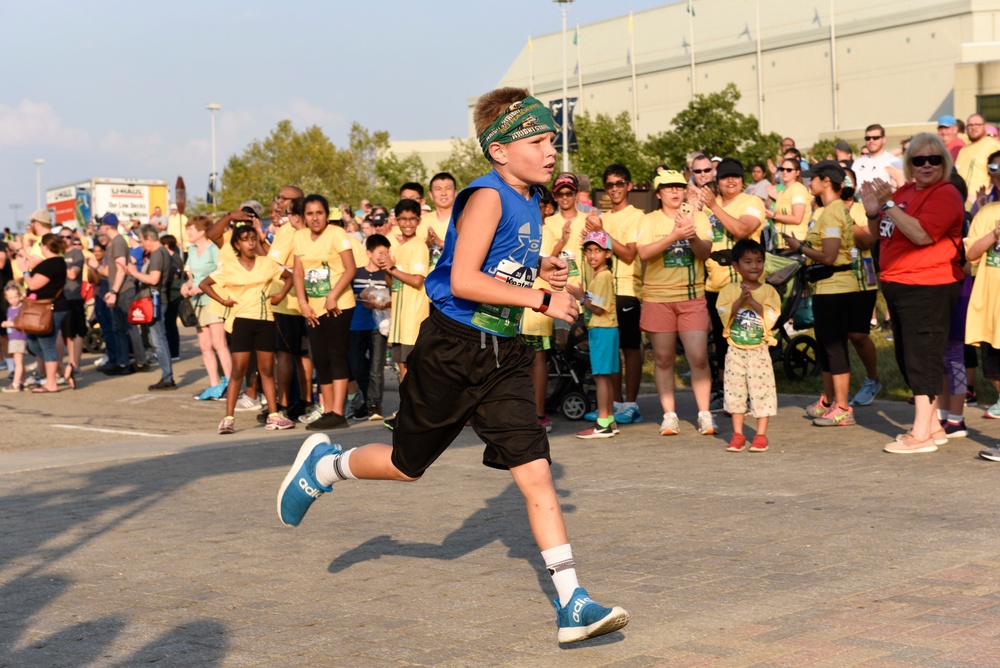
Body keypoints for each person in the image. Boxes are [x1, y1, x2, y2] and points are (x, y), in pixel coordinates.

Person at [275, 87, 628, 644]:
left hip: (505, 355)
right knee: (405, 466)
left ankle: (572, 602)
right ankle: (327, 466)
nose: (550, 151)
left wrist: (543, 268)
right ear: (500, 152)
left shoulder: (528, 200)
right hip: (453, 348)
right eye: (538, 141)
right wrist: (541, 300)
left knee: (537, 472)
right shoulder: (487, 195)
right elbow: (463, 279)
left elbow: (498, 261)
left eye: (551, 140)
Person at [861, 133, 965, 454]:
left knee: (923, 357)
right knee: (909, 358)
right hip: (899, 285)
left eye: (934, 159)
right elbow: (884, 234)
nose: (926, 165)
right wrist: (872, 212)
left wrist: (889, 205)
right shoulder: (903, 192)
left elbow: (920, 235)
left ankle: (920, 435)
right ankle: (932, 427)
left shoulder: (945, 194)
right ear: (909, 164)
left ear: (944, 163)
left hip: (929, 286)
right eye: (919, 160)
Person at [637, 169, 715, 436]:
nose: (674, 191)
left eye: (679, 187)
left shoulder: (699, 216)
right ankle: (669, 415)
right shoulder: (649, 220)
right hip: (658, 297)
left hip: (691, 296)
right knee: (663, 358)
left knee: (698, 357)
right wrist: (673, 235)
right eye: (667, 188)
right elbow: (644, 253)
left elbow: (705, 253)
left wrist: (691, 235)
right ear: (658, 194)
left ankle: (705, 414)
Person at [782, 161, 859, 427]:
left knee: (835, 348)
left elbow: (828, 256)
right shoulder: (830, 210)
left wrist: (800, 247)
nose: (808, 183)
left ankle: (843, 408)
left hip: (836, 287)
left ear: (826, 181)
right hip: (831, 287)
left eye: (811, 179)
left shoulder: (832, 212)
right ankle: (829, 401)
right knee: (828, 346)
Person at [200, 224, 294, 433]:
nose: (250, 243)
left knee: (267, 370)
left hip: (265, 321)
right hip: (242, 321)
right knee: (238, 371)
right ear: (236, 244)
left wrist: (281, 295)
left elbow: (289, 277)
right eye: (245, 239)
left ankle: (273, 415)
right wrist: (222, 300)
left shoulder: (267, 263)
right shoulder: (229, 267)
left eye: (253, 238)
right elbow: (204, 284)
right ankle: (228, 419)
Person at [698, 158, 767, 411]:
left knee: (745, 341)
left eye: (735, 176)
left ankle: (750, 396)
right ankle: (727, 392)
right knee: (722, 343)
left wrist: (713, 206)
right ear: (717, 180)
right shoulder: (707, 207)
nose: (730, 180)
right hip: (714, 287)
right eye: (725, 176)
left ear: (742, 180)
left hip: (744, 287)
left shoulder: (752, 202)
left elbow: (741, 230)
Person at [581, 164, 643, 424]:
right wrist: (589, 234)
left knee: (629, 347)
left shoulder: (637, 215)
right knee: (610, 350)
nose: (614, 189)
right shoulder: (601, 215)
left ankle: (631, 403)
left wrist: (602, 232)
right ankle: (614, 403)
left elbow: (629, 254)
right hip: (601, 289)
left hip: (627, 289)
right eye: (609, 185)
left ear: (629, 186)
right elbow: (590, 254)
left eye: (619, 183)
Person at [292, 194, 357, 431]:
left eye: (319, 213)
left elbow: (350, 269)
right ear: (304, 217)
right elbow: (298, 273)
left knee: (336, 355)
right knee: (319, 358)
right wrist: (302, 303)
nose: (315, 218)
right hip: (313, 308)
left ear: (326, 214)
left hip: (338, 305)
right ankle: (327, 409)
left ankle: (339, 412)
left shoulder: (336, 234)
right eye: (310, 214)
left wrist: (332, 295)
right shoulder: (299, 237)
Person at [717, 239, 780, 452]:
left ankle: (761, 435)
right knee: (735, 392)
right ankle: (738, 434)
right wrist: (739, 301)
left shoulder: (769, 291)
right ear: (736, 266)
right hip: (735, 350)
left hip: (759, 351)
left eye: (759, 261)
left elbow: (772, 315)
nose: (754, 266)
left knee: (762, 392)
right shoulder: (728, 290)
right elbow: (724, 313)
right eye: (748, 261)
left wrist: (752, 302)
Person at [267, 189, 315, 422]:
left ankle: (284, 403)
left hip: (287, 303)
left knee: (285, 354)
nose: (280, 202)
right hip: (308, 301)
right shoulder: (314, 231)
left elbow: (273, 264)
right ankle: (306, 401)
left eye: (284, 199)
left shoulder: (289, 231)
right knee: (304, 355)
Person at [841, 168, 882, 407]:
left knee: (857, 334)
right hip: (832, 282)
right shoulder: (823, 209)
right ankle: (840, 390)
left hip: (862, 279)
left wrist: (843, 218)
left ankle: (872, 379)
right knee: (836, 337)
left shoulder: (861, 208)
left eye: (848, 179)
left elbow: (868, 239)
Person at [378, 199, 429, 386]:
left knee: (412, 367)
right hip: (400, 319)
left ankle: (413, 411)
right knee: (402, 365)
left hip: (412, 319)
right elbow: (394, 284)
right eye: (403, 219)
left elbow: (417, 280)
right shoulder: (400, 248)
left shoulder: (418, 246)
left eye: (412, 219)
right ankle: (405, 410)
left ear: (419, 220)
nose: (407, 223)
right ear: (396, 221)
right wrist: (386, 268)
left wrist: (392, 268)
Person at [182, 215, 233, 400]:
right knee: (204, 345)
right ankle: (214, 384)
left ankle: (230, 384)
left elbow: (221, 272)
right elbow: (191, 276)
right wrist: (186, 285)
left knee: (219, 343)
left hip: (213, 299)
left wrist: (202, 285)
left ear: (202, 231)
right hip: (197, 302)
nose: (188, 232)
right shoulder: (192, 250)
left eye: (191, 229)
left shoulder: (213, 249)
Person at [574, 230, 619, 439]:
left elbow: (598, 309)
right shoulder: (602, 275)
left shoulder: (602, 276)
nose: (592, 255)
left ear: (608, 253)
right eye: (589, 250)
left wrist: (580, 297)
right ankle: (609, 419)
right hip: (607, 329)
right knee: (605, 377)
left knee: (600, 377)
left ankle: (602, 422)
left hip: (602, 329)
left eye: (598, 251)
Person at [127, 225, 177, 391]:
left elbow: (154, 279)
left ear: (149, 239)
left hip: (155, 300)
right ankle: (167, 376)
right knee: (159, 339)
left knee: (158, 340)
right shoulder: (163, 252)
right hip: (158, 299)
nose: (141, 244)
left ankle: (167, 377)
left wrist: (134, 272)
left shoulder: (157, 254)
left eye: (142, 240)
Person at [98, 213, 148, 376]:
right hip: (121, 290)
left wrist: (113, 291)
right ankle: (123, 362)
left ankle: (137, 362)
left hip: (123, 291)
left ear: (106, 226)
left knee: (128, 328)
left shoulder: (118, 242)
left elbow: (121, 269)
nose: (100, 228)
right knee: (120, 328)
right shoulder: (116, 243)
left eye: (101, 225)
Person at [20, 233, 70, 393]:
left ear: (45, 246)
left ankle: (51, 383)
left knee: (47, 345)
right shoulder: (52, 263)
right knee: (33, 343)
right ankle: (62, 370)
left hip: (50, 308)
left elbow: (34, 284)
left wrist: (25, 272)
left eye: (41, 245)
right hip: (43, 308)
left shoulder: (53, 263)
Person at [349, 234, 391, 421]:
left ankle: (374, 405)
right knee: (357, 364)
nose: (383, 256)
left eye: (387, 252)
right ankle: (366, 399)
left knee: (376, 366)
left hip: (379, 325)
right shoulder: (356, 273)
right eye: (380, 252)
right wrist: (361, 296)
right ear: (369, 253)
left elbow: (394, 296)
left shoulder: (388, 274)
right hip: (357, 324)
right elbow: (348, 297)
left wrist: (384, 302)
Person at [58, 227, 87, 374]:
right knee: (64, 333)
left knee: (76, 332)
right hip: (59, 298)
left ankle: (75, 364)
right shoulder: (58, 253)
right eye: (61, 237)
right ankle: (66, 364)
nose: (65, 240)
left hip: (73, 297)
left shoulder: (77, 253)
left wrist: (59, 264)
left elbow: (72, 274)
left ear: (73, 238)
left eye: (68, 237)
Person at [956, 114, 1000, 210]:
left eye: (977, 125)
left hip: (983, 202)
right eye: (970, 125)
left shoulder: (993, 146)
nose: (973, 128)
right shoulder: (963, 150)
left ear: (984, 126)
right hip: (961, 202)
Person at [766, 157, 810, 251]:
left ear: (797, 172)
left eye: (789, 170)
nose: (784, 172)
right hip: (780, 243)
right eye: (782, 169)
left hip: (795, 243)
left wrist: (773, 215)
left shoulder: (798, 189)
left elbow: (797, 218)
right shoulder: (782, 191)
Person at [853, 124, 904, 189]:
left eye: (875, 138)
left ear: (884, 139)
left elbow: (902, 188)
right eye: (868, 138)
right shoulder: (857, 163)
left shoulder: (894, 162)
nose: (871, 141)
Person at [2, 283, 27, 392]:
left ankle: (15, 384)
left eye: (15, 296)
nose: (13, 300)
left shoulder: (21, 308)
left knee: (18, 362)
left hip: (19, 337)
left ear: (20, 296)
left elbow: (21, 323)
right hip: (12, 337)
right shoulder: (10, 309)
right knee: (19, 361)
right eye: (10, 298)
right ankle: (24, 382)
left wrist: (9, 324)